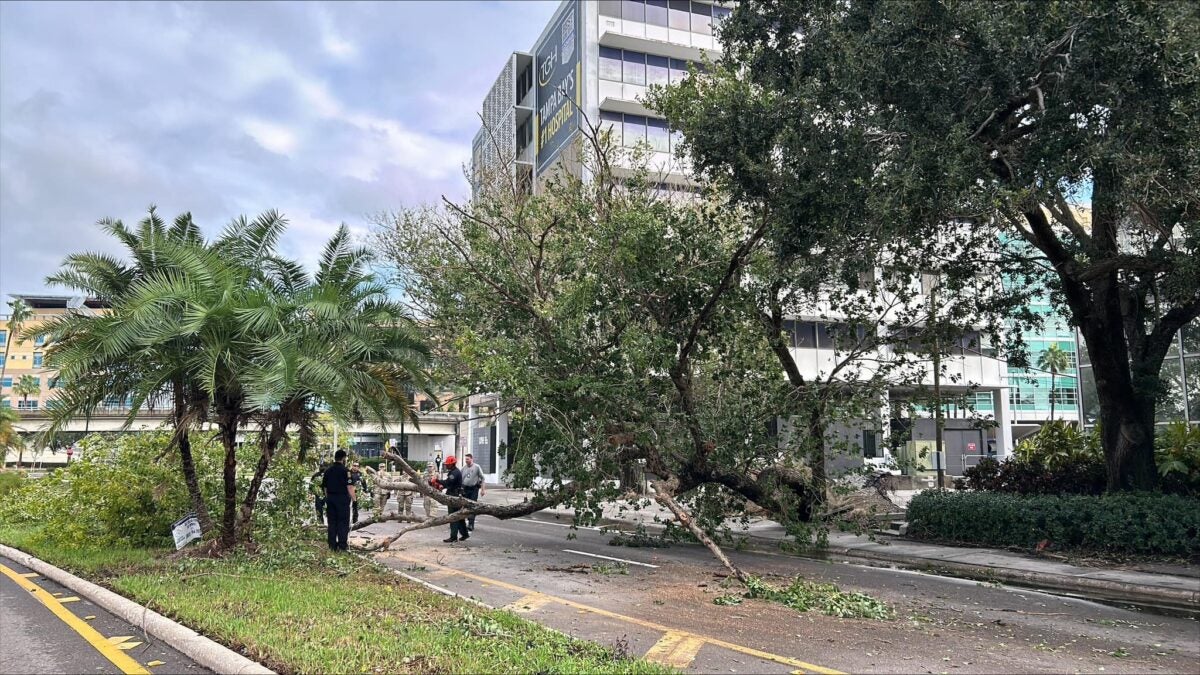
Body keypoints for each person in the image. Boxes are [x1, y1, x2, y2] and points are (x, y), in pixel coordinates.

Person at [322, 450, 355, 551]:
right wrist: (354, 500)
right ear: (344, 458)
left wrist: (329, 498)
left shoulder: (328, 471)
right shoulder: (346, 471)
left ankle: (332, 546)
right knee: (343, 523)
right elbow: (350, 487)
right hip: (342, 500)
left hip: (331, 499)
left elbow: (325, 488)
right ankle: (342, 546)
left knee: (332, 523)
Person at [440, 455, 469, 543]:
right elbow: (448, 484)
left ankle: (453, 537)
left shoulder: (455, 473)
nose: (447, 466)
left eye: (448, 464)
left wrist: (437, 481)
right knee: (459, 516)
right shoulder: (453, 471)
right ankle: (465, 534)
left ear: (452, 464)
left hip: (454, 497)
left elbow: (447, 482)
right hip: (455, 495)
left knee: (453, 517)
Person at [460, 453, 486, 531]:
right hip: (465, 489)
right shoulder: (463, 468)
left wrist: (483, 489)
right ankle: (462, 523)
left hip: (473, 489)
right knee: (464, 505)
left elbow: (483, 478)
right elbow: (460, 479)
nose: (466, 461)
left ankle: (471, 524)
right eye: (465, 459)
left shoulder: (477, 467)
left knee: (472, 506)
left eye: (467, 459)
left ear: (471, 459)